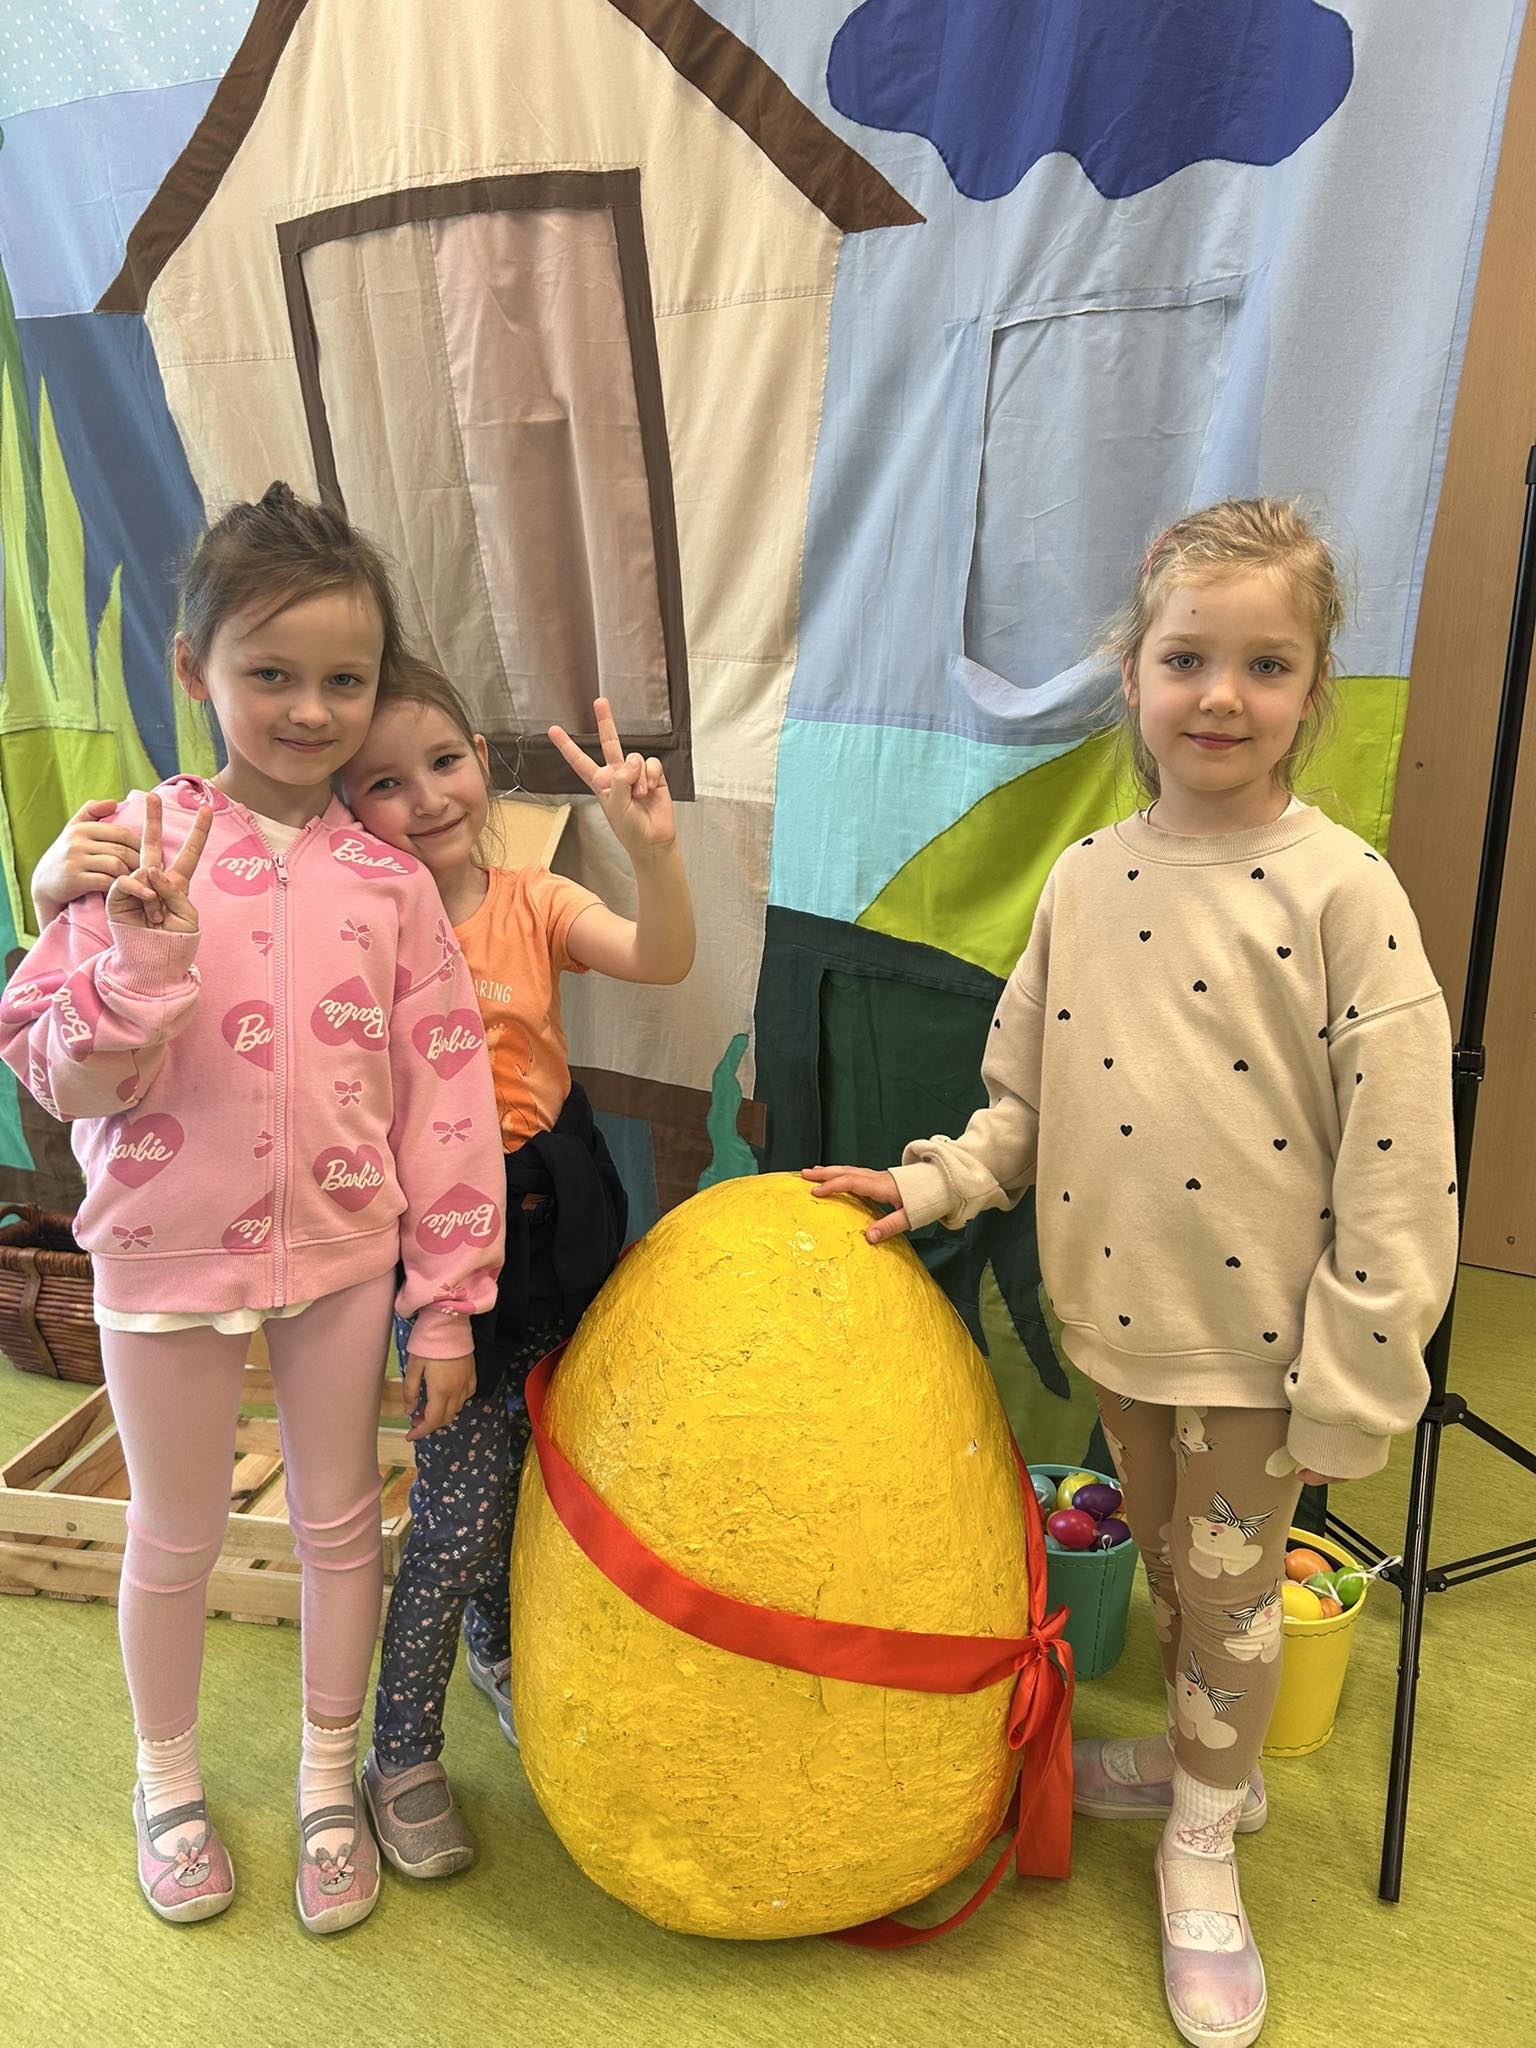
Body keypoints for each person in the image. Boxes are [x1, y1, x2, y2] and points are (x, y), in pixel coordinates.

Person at [802, 499, 1457, 2048]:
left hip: (1261, 1348)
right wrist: (935, 1181)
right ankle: (1205, 1764)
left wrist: (1358, 1371)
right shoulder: (1087, 878)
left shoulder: (1345, 891)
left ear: (1314, 688)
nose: (1222, 695)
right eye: (1187, 658)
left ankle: (1205, 1837)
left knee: (1231, 1599)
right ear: (1133, 674)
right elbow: (1025, 1097)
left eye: (1267, 664)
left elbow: (1402, 1158)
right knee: (1172, 1572)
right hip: (1119, 1323)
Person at [3, 485, 505, 1934]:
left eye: (344, 679)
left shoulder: (392, 885)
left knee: (343, 1525)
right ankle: (166, 1783)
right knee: (174, 1533)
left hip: (345, 1259)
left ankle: (328, 1779)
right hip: (158, 1253)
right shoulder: (127, 844)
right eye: (270, 672)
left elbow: (447, 1099)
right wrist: (138, 963)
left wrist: (447, 1301)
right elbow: (63, 1075)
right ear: (193, 668)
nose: (309, 710)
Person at [328, 665, 694, 1876]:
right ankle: (400, 1754)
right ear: (344, 803)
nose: (428, 796)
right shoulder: (358, 928)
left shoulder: (532, 899)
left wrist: (652, 849)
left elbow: (659, 955)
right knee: (455, 1515)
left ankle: (497, 1645)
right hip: (447, 1250)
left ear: (481, 760)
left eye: (444, 761)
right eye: (385, 782)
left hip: (565, 1208)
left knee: (542, 1468)